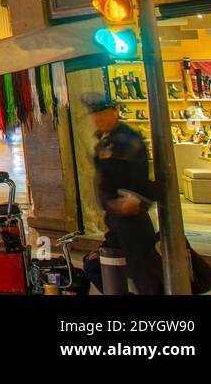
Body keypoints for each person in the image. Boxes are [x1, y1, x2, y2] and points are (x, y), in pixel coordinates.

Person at [86, 93, 162, 294]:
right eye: (95, 116)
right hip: (115, 217)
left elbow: (138, 174)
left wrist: (134, 198)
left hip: (131, 217)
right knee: (95, 265)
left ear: (115, 113)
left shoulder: (127, 139)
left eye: (103, 114)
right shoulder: (104, 140)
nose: (98, 119)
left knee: (142, 271)